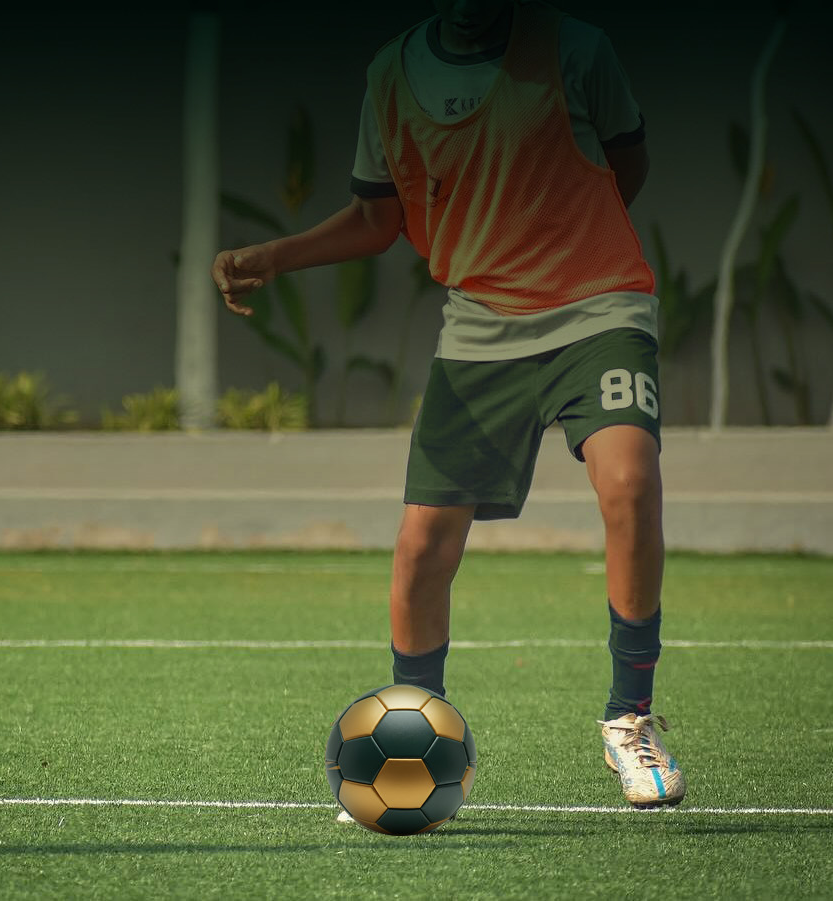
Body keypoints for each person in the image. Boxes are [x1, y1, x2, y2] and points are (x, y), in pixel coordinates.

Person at [211, 0, 684, 809]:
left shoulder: (578, 51)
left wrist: (558, 243)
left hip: (599, 307)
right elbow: (377, 217)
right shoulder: (391, 75)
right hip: (479, 327)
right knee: (422, 545)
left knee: (630, 480)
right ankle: (414, 731)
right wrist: (275, 256)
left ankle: (629, 718)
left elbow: (625, 171)